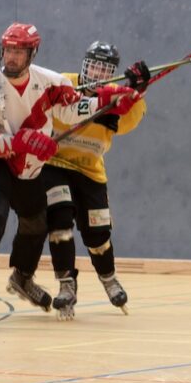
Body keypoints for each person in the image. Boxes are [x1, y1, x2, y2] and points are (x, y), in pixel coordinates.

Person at [0, 23, 139, 312]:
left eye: (18, 52)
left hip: (29, 171)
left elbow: (71, 109)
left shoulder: (51, 82)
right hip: (1, 165)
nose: (11, 57)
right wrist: (23, 141)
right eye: (8, 50)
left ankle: (22, 278)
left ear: (32, 53)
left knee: (36, 223)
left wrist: (107, 101)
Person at [44, 41, 150, 320]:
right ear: (84, 64)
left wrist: (137, 92)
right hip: (55, 163)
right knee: (59, 216)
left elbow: (128, 119)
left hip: (90, 170)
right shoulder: (64, 83)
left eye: (105, 69)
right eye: (93, 66)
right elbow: (53, 110)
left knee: (98, 231)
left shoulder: (117, 96)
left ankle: (108, 277)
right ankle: (66, 283)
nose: (97, 73)